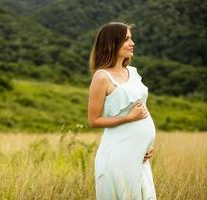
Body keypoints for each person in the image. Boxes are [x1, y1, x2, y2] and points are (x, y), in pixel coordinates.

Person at [88, 22, 157, 200]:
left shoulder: (132, 72)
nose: (132, 42)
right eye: (126, 39)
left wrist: (146, 145)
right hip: (118, 155)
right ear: (112, 43)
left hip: (139, 156)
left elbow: (142, 110)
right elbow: (94, 120)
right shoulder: (102, 76)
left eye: (131, 38)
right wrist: (128, 118)